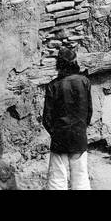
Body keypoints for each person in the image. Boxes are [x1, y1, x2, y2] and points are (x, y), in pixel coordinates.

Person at [42, 44, 94, 189]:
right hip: (79, 135)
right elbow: (89, 111)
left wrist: (56, 133)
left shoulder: (53, 85)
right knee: (81, 178)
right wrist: (81, 128)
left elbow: (46, 118)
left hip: (60, 138)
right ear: (74, 62)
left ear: (59, 64)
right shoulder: (84, 82)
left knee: (57, 180)